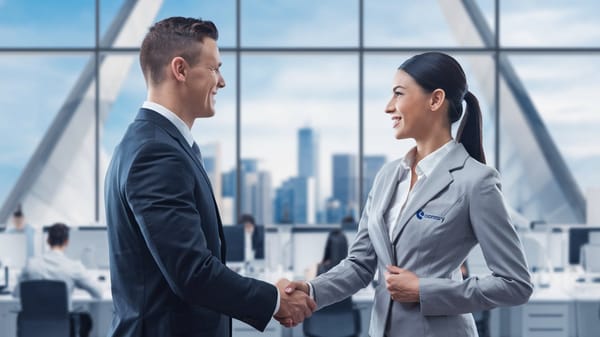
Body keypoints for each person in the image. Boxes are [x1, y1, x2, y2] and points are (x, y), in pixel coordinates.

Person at [285, 52, 533, 337]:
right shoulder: (387, 176)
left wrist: (424, 290)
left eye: (399, 94)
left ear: (435, 100)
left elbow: (516, 284)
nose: (389, 107)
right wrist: (312, 289)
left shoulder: (476, 182)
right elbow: (360, 265)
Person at [104, 17, 314, 336]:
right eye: (214, 68)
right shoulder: (156, 153)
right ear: (181, 70)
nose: (222, 81)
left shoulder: (159, 144)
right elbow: (192, 273)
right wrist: (274, 300)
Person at [16, 223, 102, 337]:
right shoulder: (73, 267)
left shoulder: (31, 265)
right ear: (66, 241)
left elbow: (16, 293)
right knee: (85, 318)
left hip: (31, 329)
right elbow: (98, 293)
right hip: (63, 329)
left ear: (47, 240)